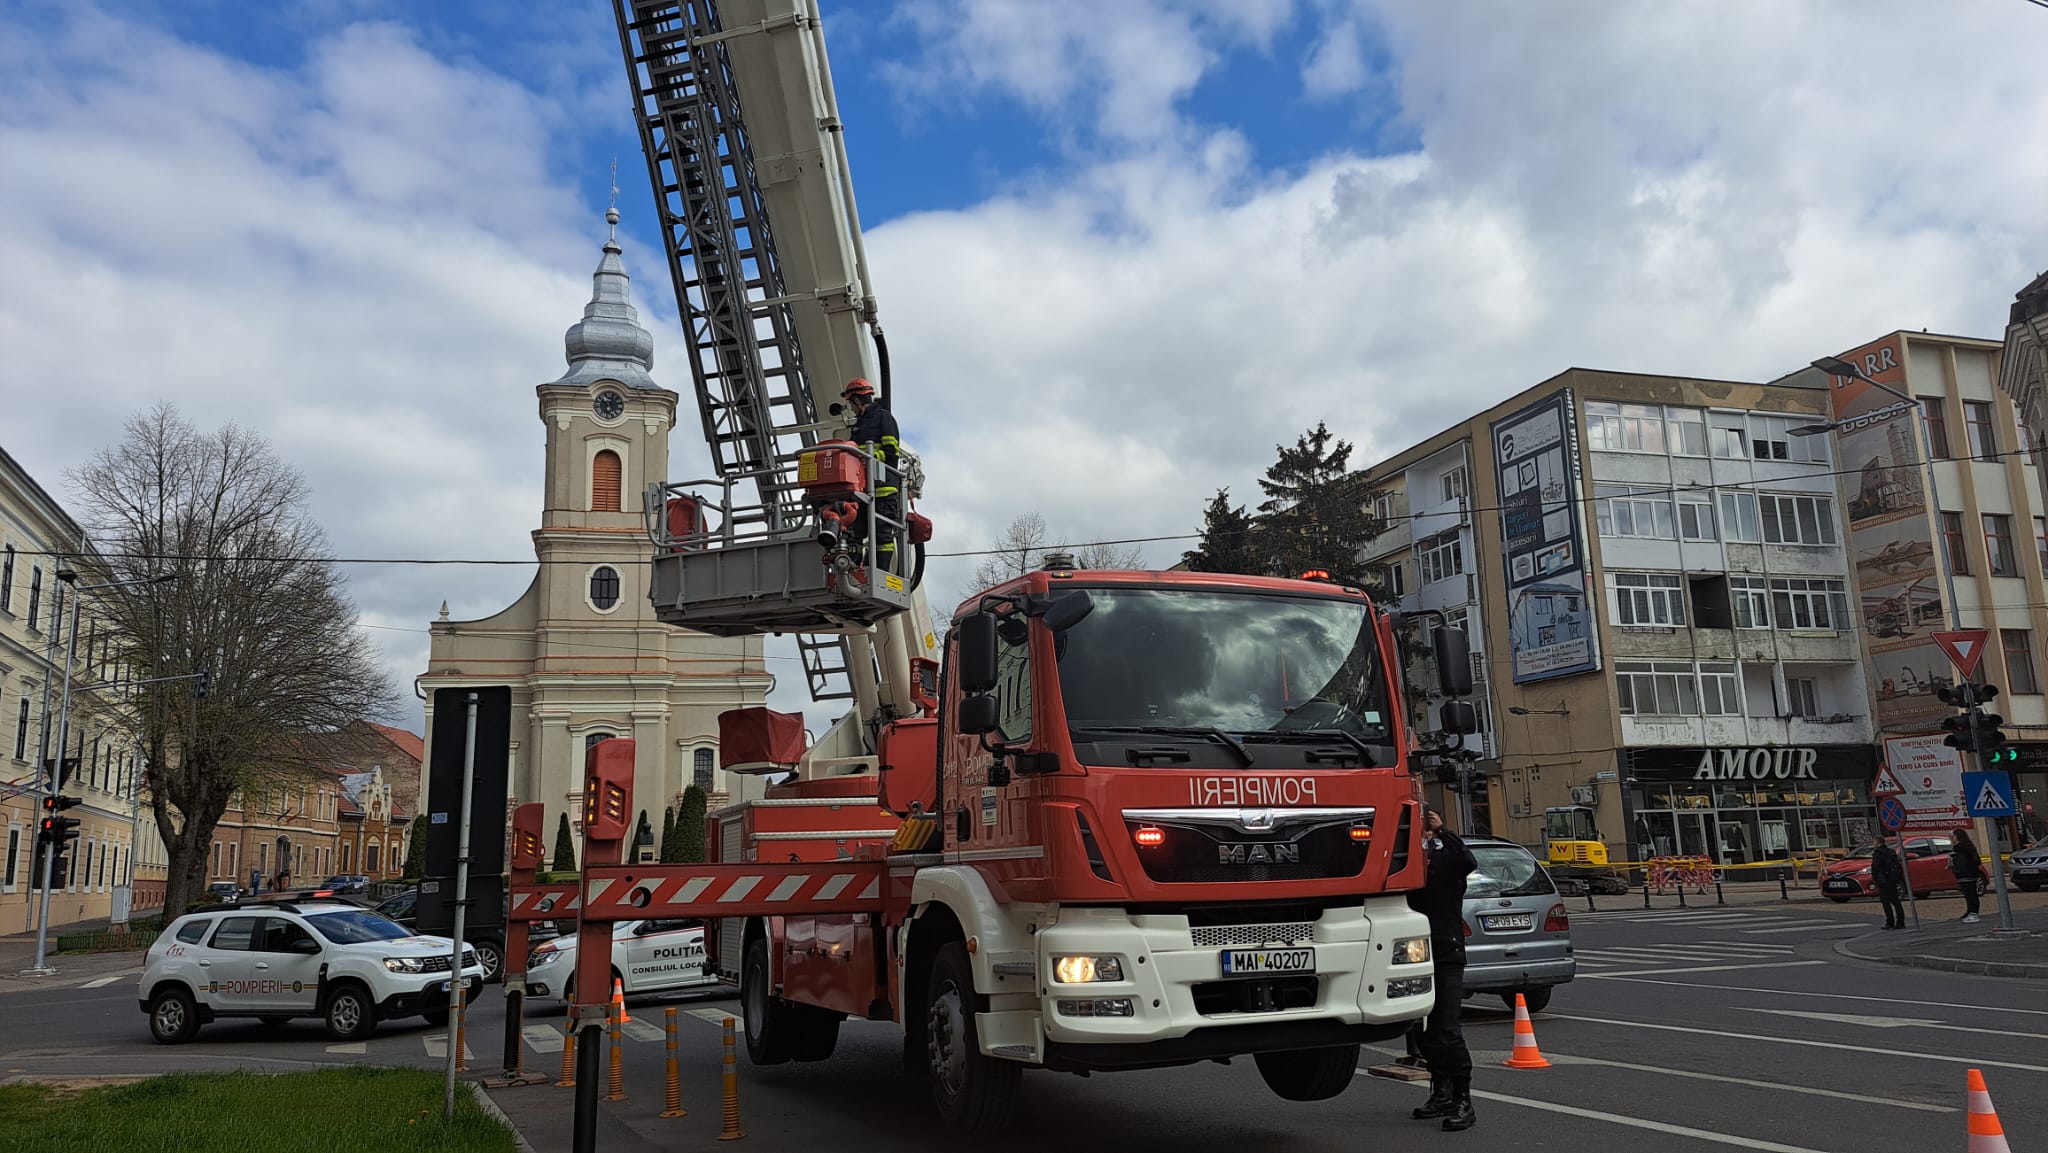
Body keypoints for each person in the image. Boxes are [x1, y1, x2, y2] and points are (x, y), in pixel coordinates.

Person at [1407, 805, 1478, 1132]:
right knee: (1424, 1030)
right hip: (1414, 956)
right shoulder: (1411, 868)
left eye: (1426, 831)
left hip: (1447, 953)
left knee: (1448, 1030)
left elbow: (1468, 860)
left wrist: (1443, 829)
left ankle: (1464, 1100)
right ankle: (1441, 1092)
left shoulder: (1448, 864)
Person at [842, 378, 903, 573]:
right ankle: (856, 573)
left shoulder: (884, 418)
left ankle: (880, 574)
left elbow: (892, 452)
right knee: (854, 533)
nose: (851, 408)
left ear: (858, 400)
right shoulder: (859, 424)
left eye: (851, 403)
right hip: (861, 491)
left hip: (883, 490)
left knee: (882, 535)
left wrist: (869, 457)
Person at [1950, 828, 1984, 923]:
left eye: (1953, 836)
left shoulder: (1963, 848)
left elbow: (1972, 860)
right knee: (1968, 894)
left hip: (1967, 873)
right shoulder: (1959, 848)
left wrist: (1961, 868)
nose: (1952, 839)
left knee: (1971, 894)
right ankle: (1970, 911)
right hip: (1963, 874)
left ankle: (1973, 912)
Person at [1870, 841, 1906, 930]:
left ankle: (1890, 922)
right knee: (1896, 901)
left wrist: (1876, 878)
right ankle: (1900, 922)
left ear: (1878, 842)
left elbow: (1875, 867)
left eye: (1874, 841)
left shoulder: (1878, 853)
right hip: (1893, 879)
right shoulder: (1891, 852)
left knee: (1886, 901)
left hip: (1884, 880)